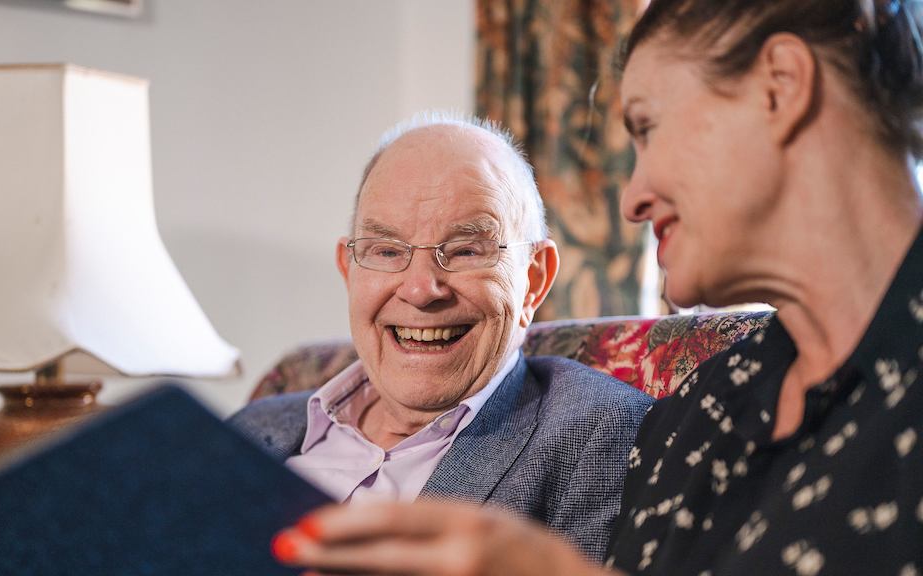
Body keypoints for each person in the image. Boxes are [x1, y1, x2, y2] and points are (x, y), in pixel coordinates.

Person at [269, 0, 923, 574]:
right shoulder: (705, 410)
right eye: (385, 250)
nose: (632, 198)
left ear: (780, 86)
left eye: (646, 127)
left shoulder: (614, 431)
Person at [229, 113, 653, 559]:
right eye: (387, 251)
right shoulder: (251, 430)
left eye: (466, 250)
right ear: (348, 270)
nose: (420, 290)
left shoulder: (602, 437)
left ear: (534, 278)